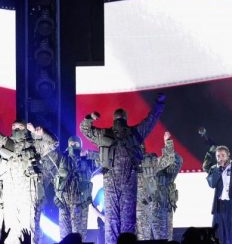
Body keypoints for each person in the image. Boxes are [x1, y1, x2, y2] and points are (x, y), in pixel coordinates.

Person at [79, 93, 165, 244]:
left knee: (111, 223)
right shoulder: (135, 133)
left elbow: (84, 129)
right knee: (127, 224)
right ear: (125, 118)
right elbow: (151, 120)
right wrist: (159, 104)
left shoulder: (103, 134)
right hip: (128, 182)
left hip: (110, 182)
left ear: (114, 119)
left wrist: (91, 117)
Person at [0, 120, 58, 244]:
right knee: (12, 232)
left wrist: (40, 133)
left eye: (20, 127)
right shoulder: (5, 143)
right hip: (10, 196)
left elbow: (52, 143)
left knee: (30, 231)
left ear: (25, 129)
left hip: (28, 196)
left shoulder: (33, 145)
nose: (16, 130)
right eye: (13, 127)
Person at [53, 136, 99, 240]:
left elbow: (105, 159)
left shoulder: (87, 161)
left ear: (81, 145)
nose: (73, 146)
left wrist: (88, 154)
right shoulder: (61, 158)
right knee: (64, 237)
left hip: (80, 205)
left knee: (78, 237)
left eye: (76, 144)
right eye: (71, 144)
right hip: (63, 204)